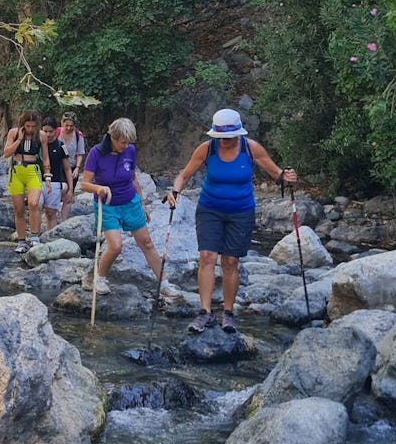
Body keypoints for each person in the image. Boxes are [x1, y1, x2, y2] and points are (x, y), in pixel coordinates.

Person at [167, 108, 297, 334]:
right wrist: (175, 192)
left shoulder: (251, 148)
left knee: (230, 262)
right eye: (221, 137)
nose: (225, 141)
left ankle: (228, 314)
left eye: (229, 137)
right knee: (207, 257)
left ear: (238, 133)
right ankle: (205, 313)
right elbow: (184, 175)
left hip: (241, 212)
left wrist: (287, 177)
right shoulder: (207, 149)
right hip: (209, 209)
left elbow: (277, 174)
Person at [79, 118, 167, 295]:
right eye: (122, 142)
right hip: (107, 205)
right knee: (116, 246)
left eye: (129, 142)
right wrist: (98, 188)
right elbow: (84, 184)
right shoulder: (96, 153)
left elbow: (133, 177)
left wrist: (142, 203)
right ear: (113, 137)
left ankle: (163, 283)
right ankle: (100, 278)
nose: (126, 146)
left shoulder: (130, 151)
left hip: (130, 202)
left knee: (147, 242)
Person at [2, 111, 46, 253]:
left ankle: (34, 237)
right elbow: (7, 153)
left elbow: (45, 157)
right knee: (19, 208)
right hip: (16, 170)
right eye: (28, 126)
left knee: (34, 203)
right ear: (22, 124)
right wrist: (19, 139)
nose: (31, 129)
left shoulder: (41, 135)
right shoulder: (14, 133)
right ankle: (21, 241)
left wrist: (49, 176)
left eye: (33, 126)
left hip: (33, 170)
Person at [40, 117, 70, 231]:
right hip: (38, 181)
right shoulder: (37, 144)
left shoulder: (60, 146)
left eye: (50, 131)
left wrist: (70, 189)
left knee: (50, 213)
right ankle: (35, 237)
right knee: (36, 207)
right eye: (45, 131)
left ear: (56, 130)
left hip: (55, 182)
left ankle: (49, 237)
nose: (48, 134)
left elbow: (67, 169)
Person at [57, 112, 87, 219]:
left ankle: (64, 221)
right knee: (61, 189)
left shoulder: (78, 136)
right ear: (62, 123)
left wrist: (78, 168)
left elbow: (80, 153)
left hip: (72, 168)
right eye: (67, 125)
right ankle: (52, 215)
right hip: (58, 167)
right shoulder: (57, 133)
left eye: (71, 126)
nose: (69, 128)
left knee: (69, 195)